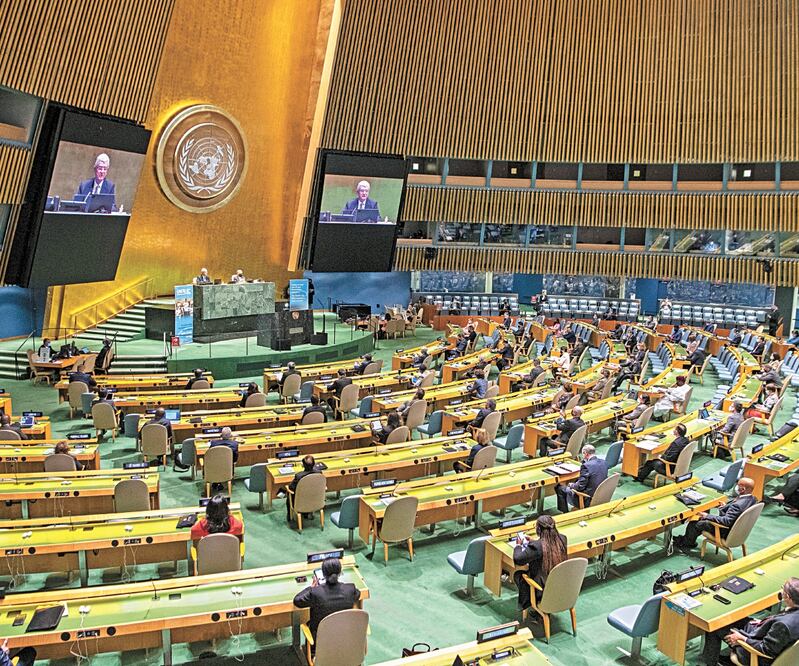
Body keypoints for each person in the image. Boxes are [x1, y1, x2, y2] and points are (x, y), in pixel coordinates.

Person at [698, 576, 799, 666]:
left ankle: (710, 663)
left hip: (755, 655)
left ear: (788, 597)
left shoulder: (783, 625)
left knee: (715, 626)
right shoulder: (793, 613)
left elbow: (765, 650)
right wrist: (759, 622)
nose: (781, 591)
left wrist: (741, 639)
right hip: (761, 633)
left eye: (783, 589)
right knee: (738, 619)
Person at [673, 477, 757, 552]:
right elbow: (736, 512)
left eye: (738, 485)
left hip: (724, 531)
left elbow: (726, 521)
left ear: (743, 489)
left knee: (695, 523)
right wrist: (725, 507)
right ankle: (687, 539)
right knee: (702, 518)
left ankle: (687, 543)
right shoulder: (752, 499)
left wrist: (706, 516)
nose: (736, 487)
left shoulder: (737, 505)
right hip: (739, 531)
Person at [293, 557, 361, 646]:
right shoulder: (350, 589)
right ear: (340, 572)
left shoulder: (316, 592)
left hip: (320, 644)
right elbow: (357, 594)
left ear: (323, 574)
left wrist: (311, 587)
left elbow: (297, 601)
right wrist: (344, 585)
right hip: (344, 641)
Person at [512, 515, 567, 610]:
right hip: (559, 584)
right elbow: (548, 545)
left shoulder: (537, 547)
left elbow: (518, 559)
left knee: (518, 575)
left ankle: (532, 604)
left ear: (538, 529)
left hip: (542, 589)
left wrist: (518, 546)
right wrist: (535, 541)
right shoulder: (562, 539)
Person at [555, 444, 608, 512]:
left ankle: (565, 513)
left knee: (560, 488)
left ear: (585, 453)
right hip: (600, 495)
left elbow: (580, 487)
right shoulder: (604, 462)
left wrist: (571, 485)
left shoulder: (586, 466)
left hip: (586, 499)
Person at [286, 455, 322, 521]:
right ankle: (306, 513)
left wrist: (287, 488)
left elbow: (291, 488)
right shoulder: (319, 473)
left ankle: (289, 516)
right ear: (314, 464)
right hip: (315, 499)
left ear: (303, 465)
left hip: (300, 501)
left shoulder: (299, 476)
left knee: (289, 493)